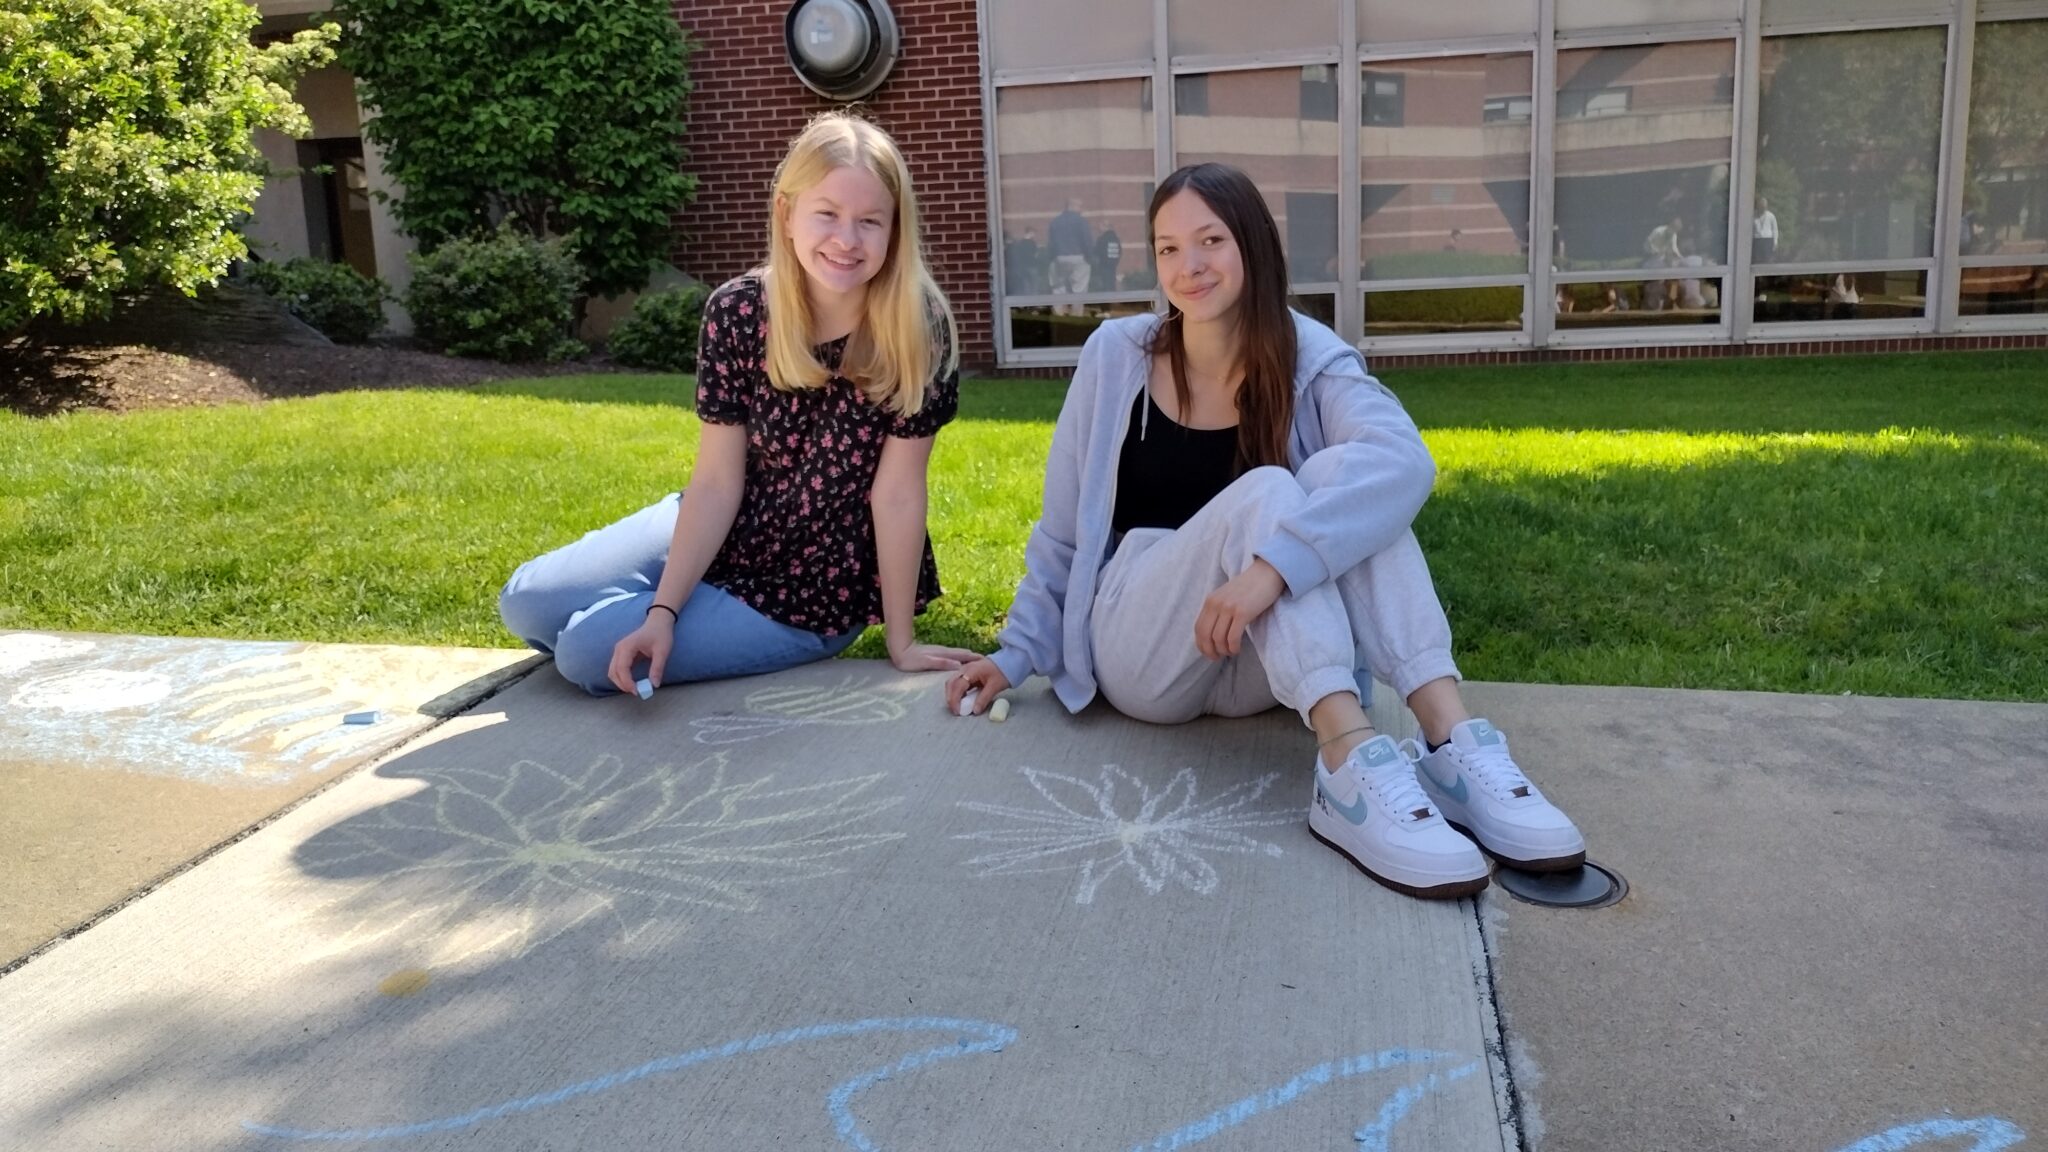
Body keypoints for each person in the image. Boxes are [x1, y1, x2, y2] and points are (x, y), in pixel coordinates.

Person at [945, 163, 1585, 900]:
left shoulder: (1309, 357)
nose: (1189, 266)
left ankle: (1451, 745)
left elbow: (1403, 463)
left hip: (1259, 659)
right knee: (1275, 489)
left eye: (1210, 240)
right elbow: (1062, 530)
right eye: (1168, 248)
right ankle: (1347, 765)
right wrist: (1020, 650)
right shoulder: (1117, 356)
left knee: (1350, 482)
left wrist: (1272, 571)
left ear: (1251, 244)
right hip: (1145, 644)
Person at [498, 111, 978, 696]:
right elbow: (717, 481)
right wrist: (664, 613)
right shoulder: (739, 311)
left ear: (895, 231)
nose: (847, 240)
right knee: (525, 603)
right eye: (826, 213)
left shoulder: (917, 328)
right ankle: (677, 604)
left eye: (870, 221)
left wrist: (900, 642)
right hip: (726, 516)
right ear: (787, 213)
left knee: (582, 652)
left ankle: (667, 618)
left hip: (810, 584)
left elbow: (898, 493)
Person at [1048, 197, 1094, 314]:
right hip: (1078, 257)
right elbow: (1086, 241)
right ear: (1072, 206)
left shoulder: (1055, 221)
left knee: (1058, 288)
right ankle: (1076, 315)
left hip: (1059, 257)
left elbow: (1051, 242)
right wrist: (1089, 258)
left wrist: (1053, 258)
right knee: (1079, 288)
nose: (1081, 209)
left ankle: (1058, 313)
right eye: (1079, 206)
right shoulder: (1081, 221)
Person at [1752, 196, 1778, 266]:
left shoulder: (1771, 216)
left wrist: (1775, 242)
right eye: (1761, 206)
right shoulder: (1753, 215)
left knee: (1767, 260)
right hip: (1757, 240)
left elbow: (1775, 229)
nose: (1763, 208)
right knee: (1757, 260)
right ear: (1758, 206)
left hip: (1768, 240)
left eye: (1764, 206)